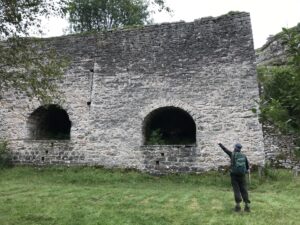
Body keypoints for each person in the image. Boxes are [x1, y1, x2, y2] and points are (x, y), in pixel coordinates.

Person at [218, 143, 251, 212]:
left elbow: (225, 150)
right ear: (240, 149)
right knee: (244, 189)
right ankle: (247, 206)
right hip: (242, 175)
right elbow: (247, 167)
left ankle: (238, 207)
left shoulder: (232, 154)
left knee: (237, 190)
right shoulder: (244, 156)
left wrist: (220, 145)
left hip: (234, 175)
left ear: (235, 148)